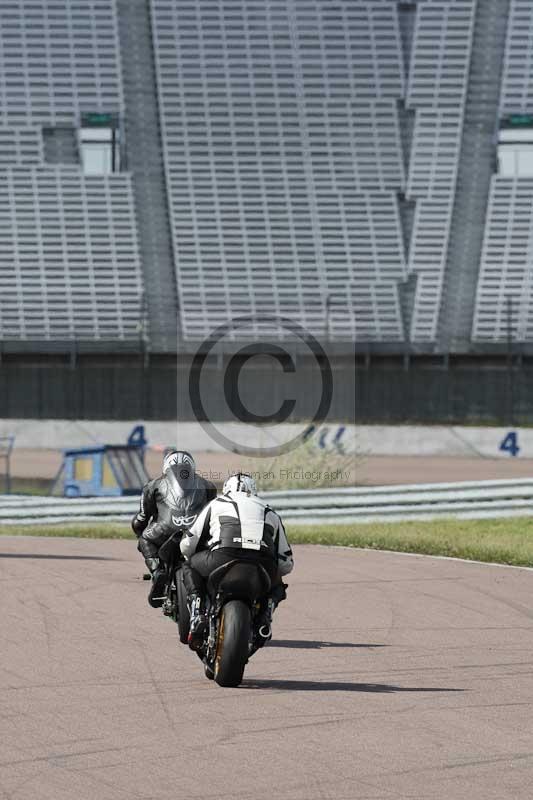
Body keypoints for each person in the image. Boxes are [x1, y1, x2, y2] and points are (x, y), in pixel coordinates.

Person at [180, 471, 294, 648]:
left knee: (189, 566)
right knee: (277, 584)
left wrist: (192, 554)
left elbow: (188, 543)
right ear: (254, 491)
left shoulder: (216, 503)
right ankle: (265, 616)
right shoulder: (270, 511)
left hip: (223, 556)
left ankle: (197, 611)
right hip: (261, 565)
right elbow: (286, 563)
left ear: (226, 489)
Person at [131, 450, 217, 607]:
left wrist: (139, 533)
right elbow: (214, 515)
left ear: (165, 466)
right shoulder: (208, 485)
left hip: (165, 530)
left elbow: (141, 519)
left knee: (145, 538)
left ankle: (157, 572)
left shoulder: (152, 485)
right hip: (196, 532)